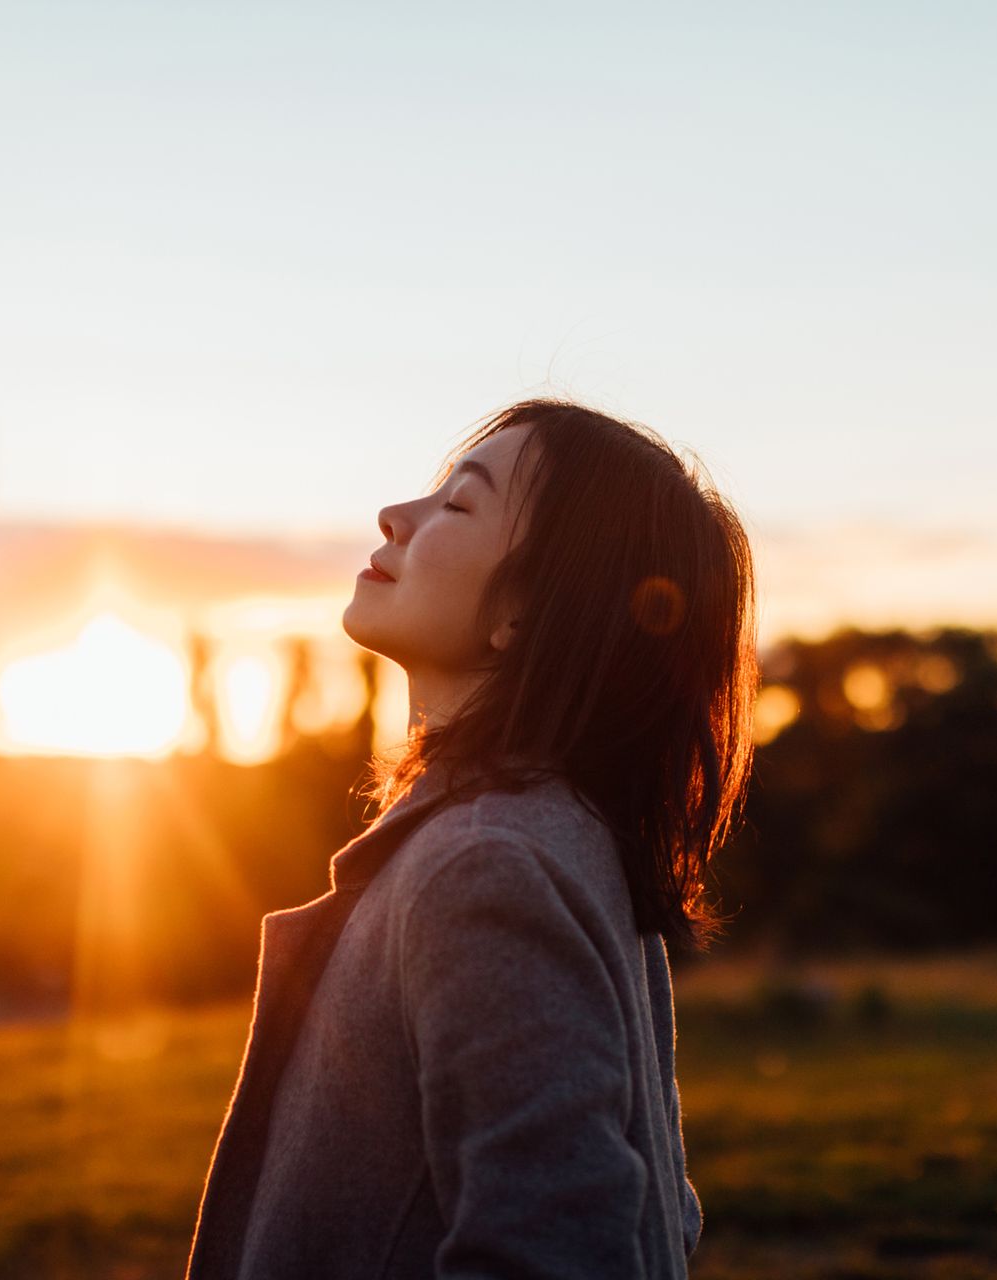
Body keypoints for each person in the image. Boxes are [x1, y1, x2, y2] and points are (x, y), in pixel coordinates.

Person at [185, 398, 758, 1279]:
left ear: (525, 613)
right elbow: (655, 1209)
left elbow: (561, 1250)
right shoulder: (564, 835)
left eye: (457, 504)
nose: (395, 515)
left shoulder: (486, 866)